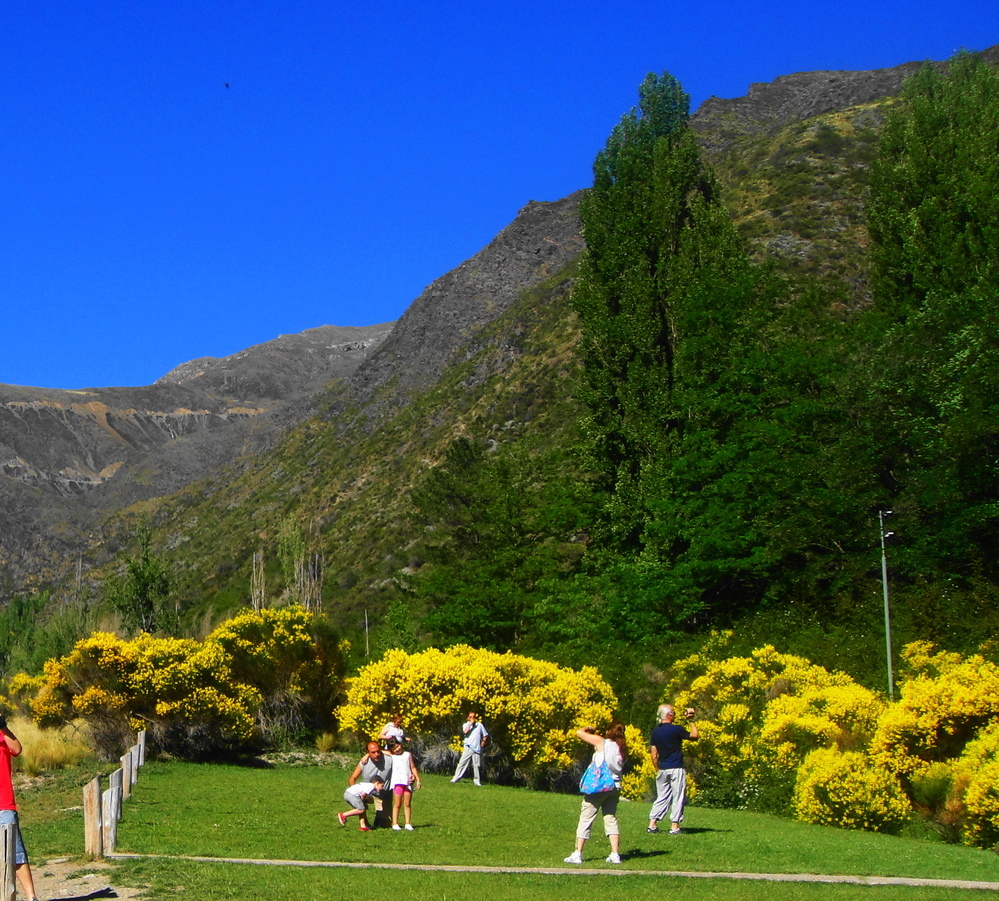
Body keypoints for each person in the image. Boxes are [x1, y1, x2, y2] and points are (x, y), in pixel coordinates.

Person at [564, 722, 627, 865]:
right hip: (615, 787)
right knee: (610, 818)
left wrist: (588, 730)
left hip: (600, 787)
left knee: (586, 818)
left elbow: (579, 733)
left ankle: (578, 853)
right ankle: (615, 854)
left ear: (609, 731)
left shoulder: (601, 742)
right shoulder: (622, 748)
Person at [0, 714, 41, 901]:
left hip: (4, 804)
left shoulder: (2, 736)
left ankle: (32, 897)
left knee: (16, 853)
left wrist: (3, 726)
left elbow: (16, 749)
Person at [647, 703, 699, 835]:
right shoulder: (677, 730)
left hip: (663, 768)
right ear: (669, 715)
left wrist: (657, 768)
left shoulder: (655, 731)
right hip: (676, 767)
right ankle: (674, 826)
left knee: (662, 797)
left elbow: (654, 754)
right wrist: (691, 721)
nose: (675, 715)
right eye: (674, 713)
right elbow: (694, 736)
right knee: (678, 797)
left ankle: (652, 824)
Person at [348, 741, 392, 827]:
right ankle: (364, 824)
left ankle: (379, 820)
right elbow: (352, 778)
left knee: (383, 825)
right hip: (369, 793)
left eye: (378, 751)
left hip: (384, 794)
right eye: (373, 752)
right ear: (367, 752)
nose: (376, 754)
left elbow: (399, 755)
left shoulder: (389, 760)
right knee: (359, 798)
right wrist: (355, 791)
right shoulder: (364, 763)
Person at [387, 740, 421, 831]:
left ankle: (408, 823)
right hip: (397, 782)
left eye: (398, 746)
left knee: (407, 803)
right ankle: (395, 823)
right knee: (397, 803)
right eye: (394, 748)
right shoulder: (392, 756)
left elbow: (412, 767)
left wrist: (417, 779)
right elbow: (382, 751)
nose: (397, 749)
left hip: (408, 782)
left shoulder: (407, 754)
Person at [450, 711, 489, 786]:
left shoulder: (479, 725)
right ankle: (456, 778)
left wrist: (483, 742)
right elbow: (465, 732)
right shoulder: (466, 725)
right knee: (462, 763)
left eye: (473, 717)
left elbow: (486, 735)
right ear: (468, 718)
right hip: (468, 747)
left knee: (476, 765)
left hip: (477, 748)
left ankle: (477, 781)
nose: (472, 718)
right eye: (470, 717)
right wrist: (471, 724)